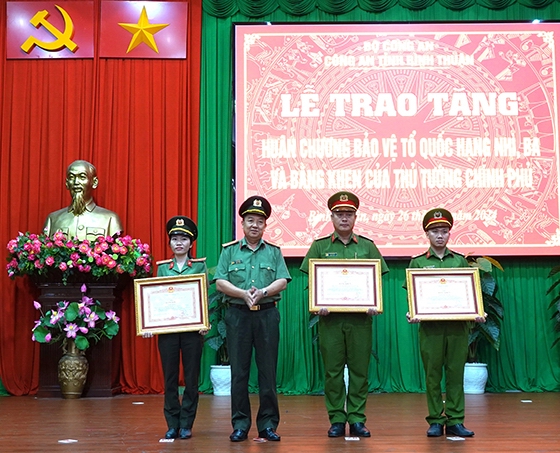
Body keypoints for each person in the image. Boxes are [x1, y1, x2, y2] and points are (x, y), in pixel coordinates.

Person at [300, 191, 389, 438]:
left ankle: (358, 419)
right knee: (333, 371)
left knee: (360, 371)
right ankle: (337, 418)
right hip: (330, 320)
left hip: (361, 320)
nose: (344, 218)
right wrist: (318, 303)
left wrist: (375, 302)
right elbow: (312, 283)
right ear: (331, 217)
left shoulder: (368, 247)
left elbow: (377, 283)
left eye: (349, 214)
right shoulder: (319, 246)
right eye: (339, 214)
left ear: (355, 217)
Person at [214, 196, 291, 442]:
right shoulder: (229, 251)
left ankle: (268, 425)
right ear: (243, 223)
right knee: (239, 372)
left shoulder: (274, 252)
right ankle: (240, 424)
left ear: (265, 225)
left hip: (267, 314)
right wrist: (242, 294)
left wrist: (263, 292)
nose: (255, 225)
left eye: (260, 221)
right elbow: (220, 281)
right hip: (238, 316)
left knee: (267, 372)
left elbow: (282, 280)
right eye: (250, 220)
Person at [405, 208, 485, 438]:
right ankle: (435, 420)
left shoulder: (460, 261)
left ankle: (456, 420)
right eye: (434, 231)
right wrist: (412, 313)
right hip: (430, 328)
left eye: (444, 231)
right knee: (432, 375)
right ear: (427, 235)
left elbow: (469, 294)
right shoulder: (418, 263)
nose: (440, 235)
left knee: (455, 374)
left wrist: (476, 313)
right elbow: (412, 295)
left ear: (449, 234)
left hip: (458, 327)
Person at [144, 216, 207, 440]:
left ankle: (187, 423)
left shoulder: (200, 266)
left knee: (191, 379)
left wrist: (204, 322)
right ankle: (172, 423)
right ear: (169, 243)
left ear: (191, 243)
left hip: (192, 332)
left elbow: (204, 298)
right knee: (170, 378)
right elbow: (154, 298)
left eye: (183, 239)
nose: (179, 243)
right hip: (168, 332)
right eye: (174, 239)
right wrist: (148, 323)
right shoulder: (162, 268)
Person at [43, 160, 123, 241]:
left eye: (82, 177)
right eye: (71, 177)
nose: (76, 182)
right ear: (67, 183)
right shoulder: (53, 219)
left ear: (94, 182)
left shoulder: (110, 219)